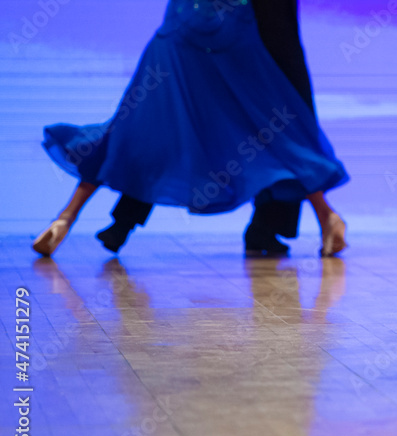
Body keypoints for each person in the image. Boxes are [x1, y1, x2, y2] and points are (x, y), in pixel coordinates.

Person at [32, 0, 348, 258]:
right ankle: (327, 216)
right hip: (229, 31)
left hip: (181, 31)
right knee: (270, 130)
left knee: (135, 130)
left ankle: (66, 217)